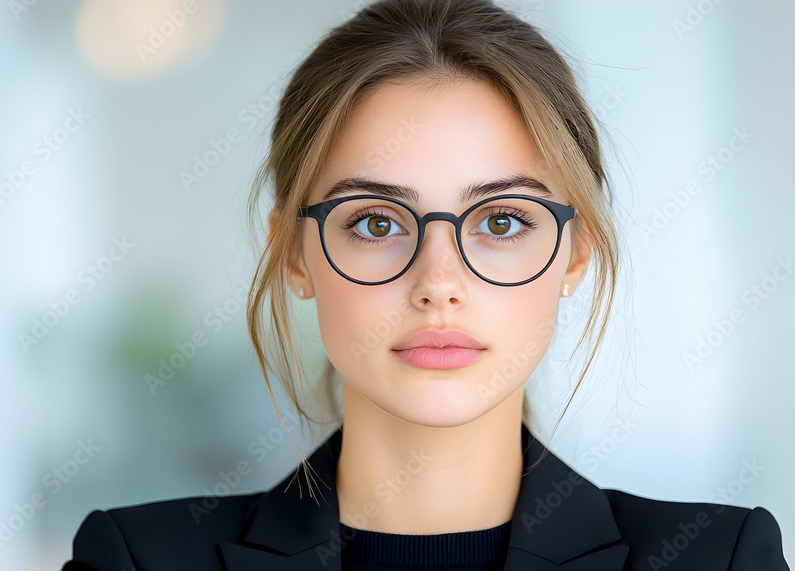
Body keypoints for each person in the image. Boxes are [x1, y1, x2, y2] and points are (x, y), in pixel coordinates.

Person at [62, 0, 790, 569]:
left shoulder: (716, 557)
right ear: (293, 251)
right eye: (377, 223)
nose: (438, 283)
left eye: (502, 222)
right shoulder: (140, 558)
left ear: (574, 253)